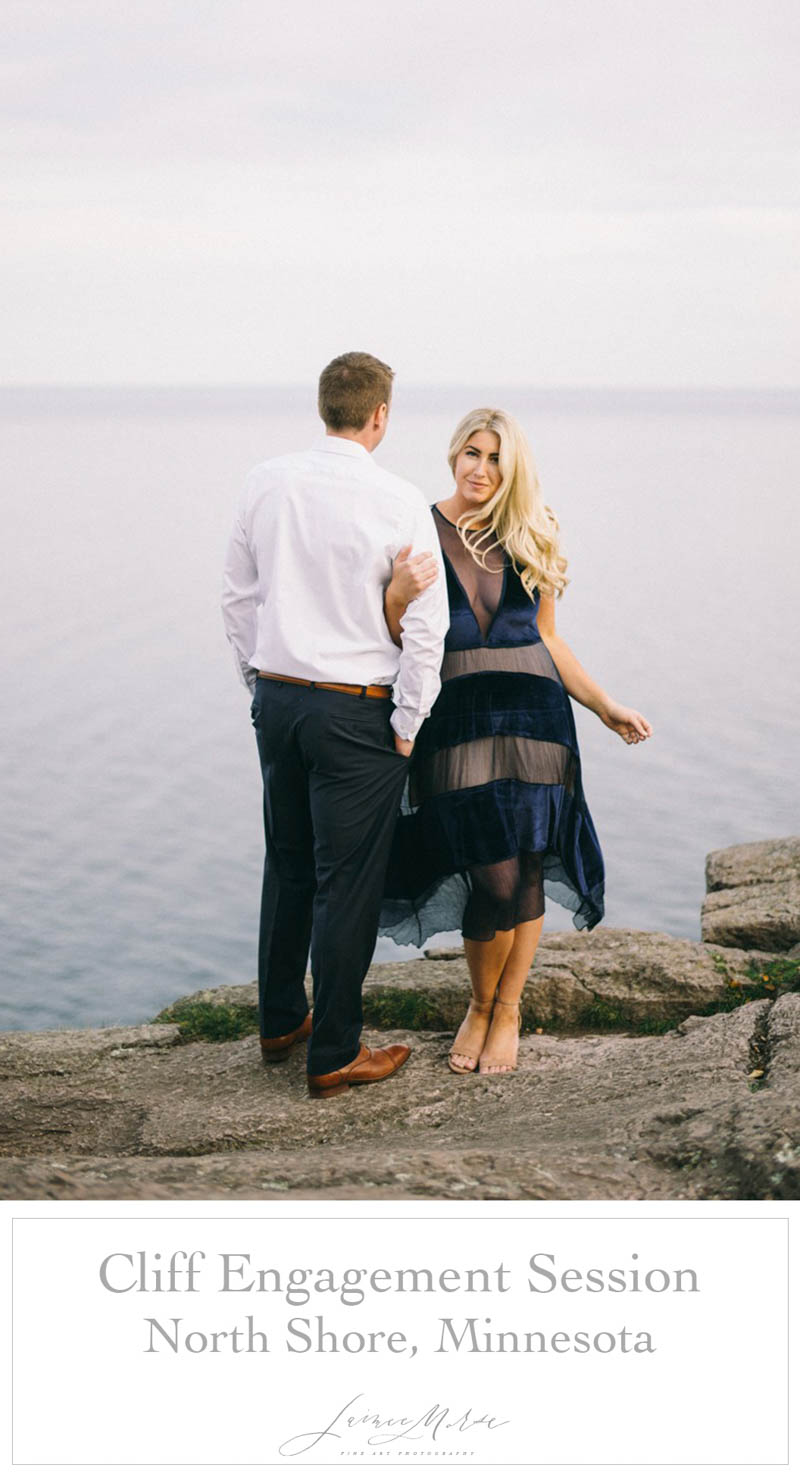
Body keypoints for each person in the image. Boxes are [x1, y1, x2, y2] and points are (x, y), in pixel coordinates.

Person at [381, 407, 652, 1076]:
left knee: (528, 864)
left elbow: (549, 639)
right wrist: (393, 596)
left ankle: (508, 1009)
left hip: (537, 721)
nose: (482, 468)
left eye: (496, 457)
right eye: (472, 453)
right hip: (457, 726)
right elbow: (391, 634)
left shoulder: (531, 531)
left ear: (513, 468)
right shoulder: (416, 526)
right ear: (453, 456)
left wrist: (603, 705)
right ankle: (479, 1002)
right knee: (491, 875)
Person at [221, 352, 449, 1099]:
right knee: (343, 884)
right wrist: (409, 720)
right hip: (355, 710)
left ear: (323, 406)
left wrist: (259, 682)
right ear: (379, 416)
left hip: (280, 702)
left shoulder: (265, 482)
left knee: (286, 863)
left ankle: (282, 1020)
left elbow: (238, 599)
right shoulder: (397, 498)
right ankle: (336, 1054)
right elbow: (426, 627)